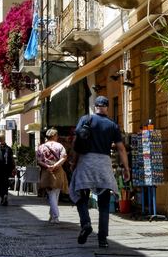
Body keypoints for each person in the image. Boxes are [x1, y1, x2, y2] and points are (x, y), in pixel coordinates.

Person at [69, 96, 129, 248]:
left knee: (80, 196)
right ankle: (103, 239)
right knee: (103, 203)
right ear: (107, 108)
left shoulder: (85, 119)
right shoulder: (112, 125)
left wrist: (74, 162)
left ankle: (86, 223)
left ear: (95, 107)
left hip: (86, 162)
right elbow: (121, 149)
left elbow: (76, 142)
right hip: (104, 164)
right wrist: (126, 169)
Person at [37, 128, 69, 223]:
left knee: (51, 194)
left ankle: (53, 216)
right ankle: (55, 217)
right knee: (55, 194)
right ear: (54, 135)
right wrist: (56, 165)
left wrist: (48, 166)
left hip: (46, 171)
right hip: (58, 170)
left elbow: (38, 160)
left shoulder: (41, 147)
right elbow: (64, 157)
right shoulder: (59, 146)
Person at [0, 136, 15, 206]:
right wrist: (14, 168)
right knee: (5, 182)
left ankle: (0, 197)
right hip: (7, 168)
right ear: (4, 139)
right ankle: (5, 194)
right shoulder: (9, 148)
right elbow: (12, 159)